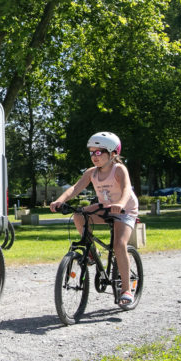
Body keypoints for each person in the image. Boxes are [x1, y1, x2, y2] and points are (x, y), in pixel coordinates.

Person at [49, 131, 139, 306]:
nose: (94, 156)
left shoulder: (119, 169)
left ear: (113, 153)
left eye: (99, 152)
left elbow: (127, 189)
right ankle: (93, 251)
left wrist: (120, 203)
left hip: (125, 209)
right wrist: (60, 200)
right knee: (78, 215)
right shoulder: (91, 172)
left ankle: (126, 289)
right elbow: (75, 188)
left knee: (119, 244)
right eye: (92, 152)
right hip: (105, 207)